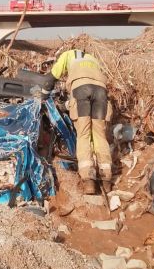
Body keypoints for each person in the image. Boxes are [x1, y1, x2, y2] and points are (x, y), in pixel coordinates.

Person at [43, 49, 113, 194]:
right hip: (101, 92)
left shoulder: (68, 54)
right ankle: (106, 179)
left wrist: (42, 95)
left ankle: (88, 180)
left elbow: (52, 77)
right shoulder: (92, 58)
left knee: (84, 134)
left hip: (81, 90)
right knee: (99, 134)